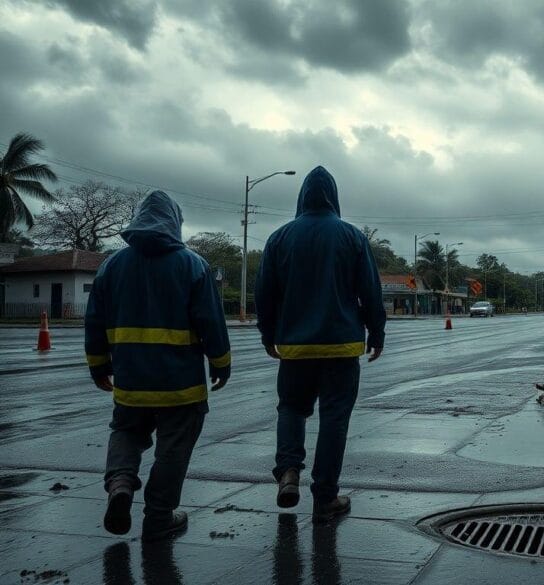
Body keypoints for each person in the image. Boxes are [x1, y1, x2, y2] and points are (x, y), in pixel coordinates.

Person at [85, 191, 231, 541]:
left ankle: (120, 483)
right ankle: (159, 517)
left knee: (126, 432)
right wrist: (220, 363)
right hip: (180, 385)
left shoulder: (111, 266)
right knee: (173, 447)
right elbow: (211, 322)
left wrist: (98, 365)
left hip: (131, 382)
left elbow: (94, 321)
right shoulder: (193, 265)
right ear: (175, 222)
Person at [255, 166, 386, 523]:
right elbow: (370, 292)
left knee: (291, 409)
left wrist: (268, 334)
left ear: (301, 197)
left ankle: (288, 471)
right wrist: (376, 333)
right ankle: (325, 497)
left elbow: (264, 293)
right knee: (334, 419)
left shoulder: (279, 238)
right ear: (334, 197)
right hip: (341, 347)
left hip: (295, 348)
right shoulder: (352, 237)